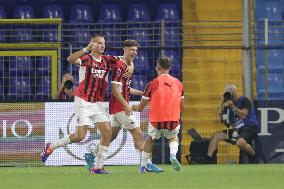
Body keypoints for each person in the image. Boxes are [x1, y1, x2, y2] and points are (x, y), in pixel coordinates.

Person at [41, 34, 134, 174]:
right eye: (99, 43)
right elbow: (70, 59)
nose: (102, 45)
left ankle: (98, 167)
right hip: (83, 101)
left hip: (97, 103)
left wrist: (131, 66)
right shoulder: (87, 58)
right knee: (80, 136)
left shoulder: (107, 60)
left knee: (107, 132)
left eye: (103, 43)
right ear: (92, 44)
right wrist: (85, 49)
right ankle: (51, 146)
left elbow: (126, 60)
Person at [84, 40, 144, 171]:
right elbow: (115, 89)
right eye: (132, 50)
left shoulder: (129, 65)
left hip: (118, 106)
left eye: (136, 50)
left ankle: (91, 154)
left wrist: (142, 93)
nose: (135, 52)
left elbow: (126, 89)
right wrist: (126, 105)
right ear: (125, 49)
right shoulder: (119, 65)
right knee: (137, 133)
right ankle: (145, 164)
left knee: (112, 135)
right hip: (120, 106)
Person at [132, 56, 184, 173]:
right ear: (170, 68)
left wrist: (133, 107)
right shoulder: (179, 84)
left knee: (150, 140)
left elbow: (140, 108)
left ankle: (143, 167)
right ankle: (172, 155)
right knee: (173, 137)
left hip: (156, 121)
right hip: (173, 120)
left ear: (157, 67)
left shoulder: (152, 84)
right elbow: (182, 107)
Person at [205, 84, 262, 164]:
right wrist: (221, 105)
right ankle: (208, 159)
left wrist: (233, 107)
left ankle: (255, 158)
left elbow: (244, 115)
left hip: (249, 127)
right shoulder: (227, 106)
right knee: (216, 136)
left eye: (230, 92)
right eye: (227, 93)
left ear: (235, 92)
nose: (229, 95)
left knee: (240, 143)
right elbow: (226, 123)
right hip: (237, 131)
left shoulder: (243, 100)